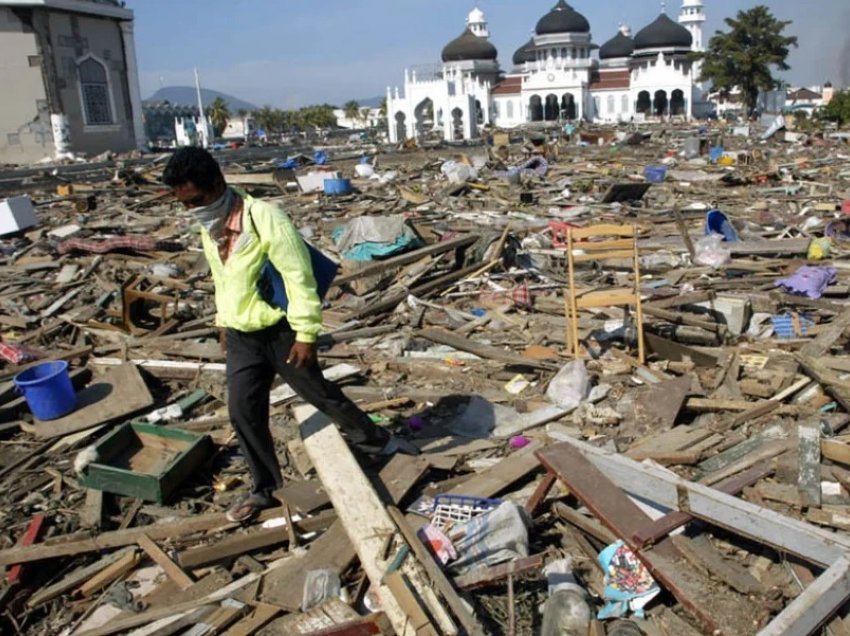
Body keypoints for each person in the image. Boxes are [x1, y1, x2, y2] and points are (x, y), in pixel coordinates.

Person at [162, 147, 418, 523]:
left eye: (196, 200)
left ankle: (378, 441)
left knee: (319, 394)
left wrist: (306, 334)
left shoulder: (265, 219)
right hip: (241, 335)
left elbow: (300, 278)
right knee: (242, 412)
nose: (191, 209)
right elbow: (222, 278)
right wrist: (222, 320)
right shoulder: (210, 226)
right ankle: (264, 488)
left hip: (282, 330)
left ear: (218, 183)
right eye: (184, 203)